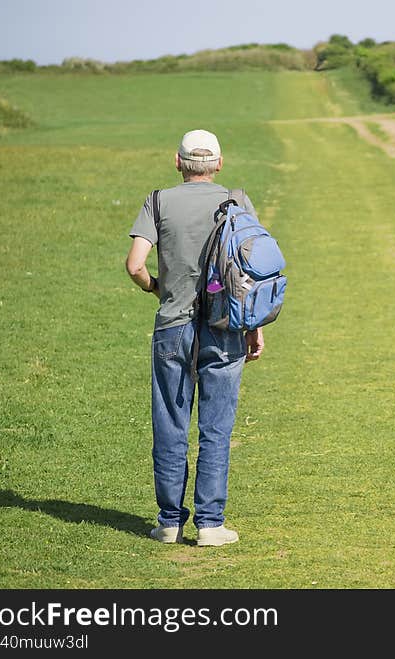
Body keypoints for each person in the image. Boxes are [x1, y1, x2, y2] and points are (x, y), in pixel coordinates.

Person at [125, 129, 264, 547]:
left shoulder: (159, 200)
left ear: (178, 162)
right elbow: (249, 272)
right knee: (216, 428)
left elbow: (134, 264)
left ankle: (169, 522)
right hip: (226, 328)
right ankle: (210, 524)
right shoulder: (237, 200)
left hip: (172, 327)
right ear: (219, 164)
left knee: (170, 423)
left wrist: (155, 287)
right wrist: (253, 327)